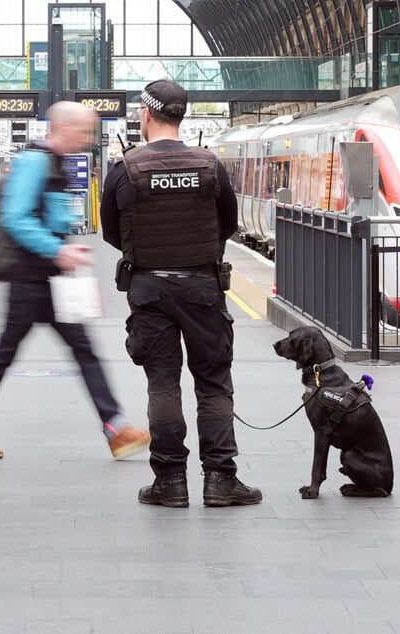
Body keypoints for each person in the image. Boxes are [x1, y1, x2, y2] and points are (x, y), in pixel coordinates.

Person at [99, 79, 262, 508]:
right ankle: (220, 480)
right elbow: (228, 223)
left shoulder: (125, 168)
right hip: (203, 288)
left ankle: (170, 482)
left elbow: (112, 232)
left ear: (146, 114)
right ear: (181, 115)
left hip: (149, 289)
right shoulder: (210, 165)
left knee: (163, 384)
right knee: (212, 384)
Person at [0, 100, 150, 461]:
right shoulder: (35, 162)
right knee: (8, 353)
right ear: (63, 127)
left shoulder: (54, 163)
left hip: (51, 279)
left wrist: (67, 250)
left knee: (80, 352)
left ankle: (116, 429)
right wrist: (57, 250)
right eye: (83, 131)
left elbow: (48, 218)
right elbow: (17, 218)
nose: (87, 138)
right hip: (30, 279)